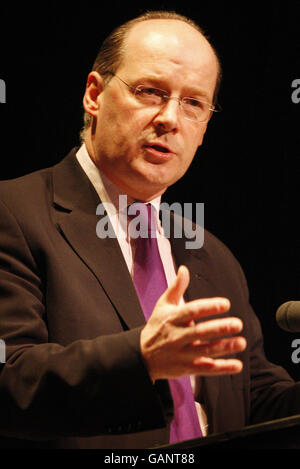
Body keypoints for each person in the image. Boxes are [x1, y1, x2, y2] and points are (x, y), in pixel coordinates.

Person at [0, 10, 299, 450]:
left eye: (193, 103)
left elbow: (253, 397)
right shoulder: (13, 213)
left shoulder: (212, 255)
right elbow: (10, 380)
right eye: (150, 92)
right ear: (94, 95)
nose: (169, 119)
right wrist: (142, 358)